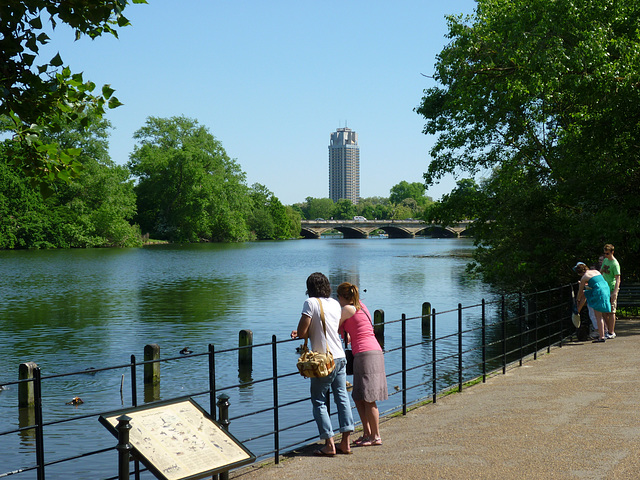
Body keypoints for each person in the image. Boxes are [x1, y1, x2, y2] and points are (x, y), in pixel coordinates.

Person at [291, 272, 354, 456]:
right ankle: (346, 443)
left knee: (319, 400)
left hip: (323, 360)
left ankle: (329, 444)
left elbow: (303, 332)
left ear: (309, 288)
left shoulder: (310, 303)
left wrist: (299, 332)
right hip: (341, 356)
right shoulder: (334, 303)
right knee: (342, 397)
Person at [337, 282, 388, 447]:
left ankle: (376, 436)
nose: (338, 301)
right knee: (358, 396)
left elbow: (333, 326)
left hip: (366, 354)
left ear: (343, 297)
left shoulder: (347, 309)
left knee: (369, 398)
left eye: (338, 298)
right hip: (369, 352)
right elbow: (357, 329)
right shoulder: (363, 307)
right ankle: (367, 433)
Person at [574, 262, 611, 342]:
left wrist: (577, 300)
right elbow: (595, 283)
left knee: (598, 316)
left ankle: (601, 336)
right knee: (601, 314)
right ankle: (604, 333)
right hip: (606, 289)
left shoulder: (584, 277)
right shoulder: (595, 271)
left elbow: (580, 291)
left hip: (599, 292)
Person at [600, 244, 621, 339]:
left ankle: (611, 332)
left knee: (612, 310)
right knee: (604, 310)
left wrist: (615, 292)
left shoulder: (615, 264)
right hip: (604, 288)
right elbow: (601, 272)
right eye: (605, 253)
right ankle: (608, 329)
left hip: (612, 288)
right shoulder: (605, 260)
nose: (606, 255)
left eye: (607, 253)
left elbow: (618, 279)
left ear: (612, 252)